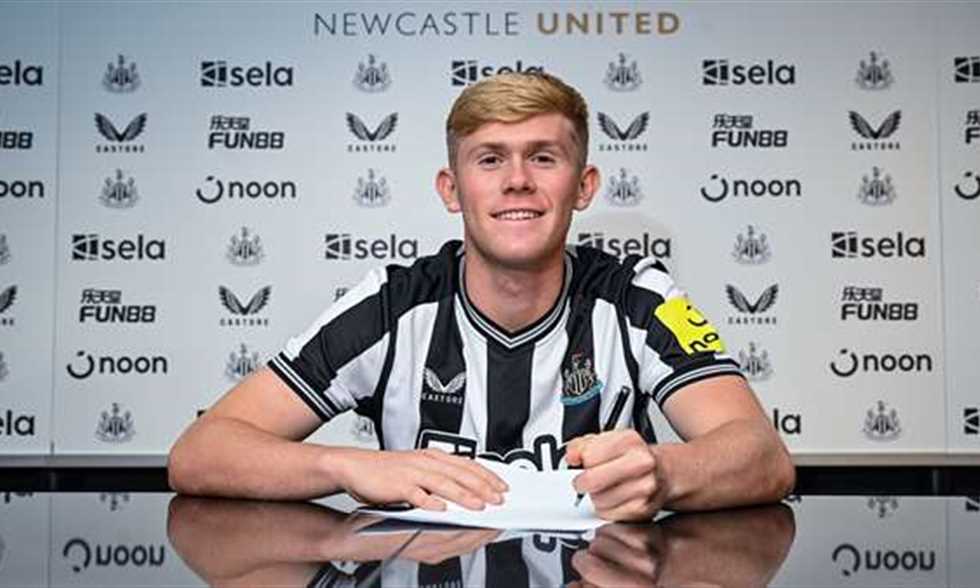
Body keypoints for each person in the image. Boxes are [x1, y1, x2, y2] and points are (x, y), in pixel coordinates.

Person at [168, 72, 795, 521]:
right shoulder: (392, 304)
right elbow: (200, 453)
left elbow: (763, 456)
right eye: (490, 160)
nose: (517, 181)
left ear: (584, 186)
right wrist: (345, 466)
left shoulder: (640, 297)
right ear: (451, 188)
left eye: (543, 158)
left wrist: (664, 473)